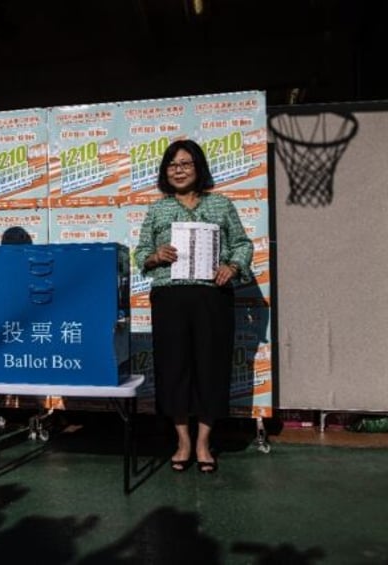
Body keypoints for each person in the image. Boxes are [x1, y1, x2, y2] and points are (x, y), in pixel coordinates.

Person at [135, 139, 253, 474]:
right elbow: (140, 252)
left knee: (211, 367)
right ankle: (183, 441)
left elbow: (243, 244)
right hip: (169, 298)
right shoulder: (157, 210)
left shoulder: (221, 205)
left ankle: (203, 442)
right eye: (172, 165)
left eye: (185, 164)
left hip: (211, 296)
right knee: (173, 368)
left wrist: (232, 266)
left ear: (198, 168)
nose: (179, 170)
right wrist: (154, 256)